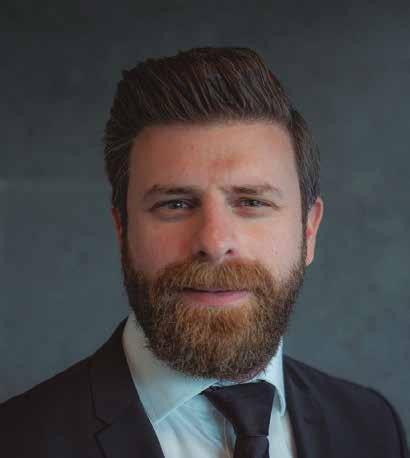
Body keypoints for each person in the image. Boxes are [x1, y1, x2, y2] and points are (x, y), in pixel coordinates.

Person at [0, 47, 408, 458]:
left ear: (309, 230)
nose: (214, 243)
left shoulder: (373, 428)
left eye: (252, 202)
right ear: (122, 228)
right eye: (175, 204)